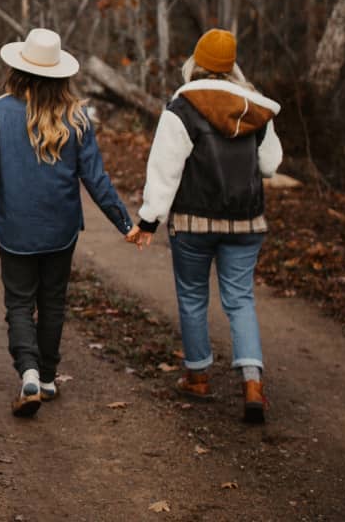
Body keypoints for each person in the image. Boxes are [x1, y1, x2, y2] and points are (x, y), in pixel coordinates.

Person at [0, 27, 134, 417]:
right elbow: (95, 178)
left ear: (18, 69)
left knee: (20, 302)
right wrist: (126, 223)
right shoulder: (76, 117)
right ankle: (46, 377)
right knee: (53, 302)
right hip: (61, 228)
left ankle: (28, 373)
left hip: (15, 227)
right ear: (61, 74)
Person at [125, 28, 283, 424]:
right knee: (240, 299)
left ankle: (198, 377)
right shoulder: (256, 109)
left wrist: (148, 220)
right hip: (246, 221)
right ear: (231, 67)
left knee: (194, 297)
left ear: (196, 63)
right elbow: (268, 166)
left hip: (194, 222)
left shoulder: (183, 108)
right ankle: (252, 386)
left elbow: (165, 169)